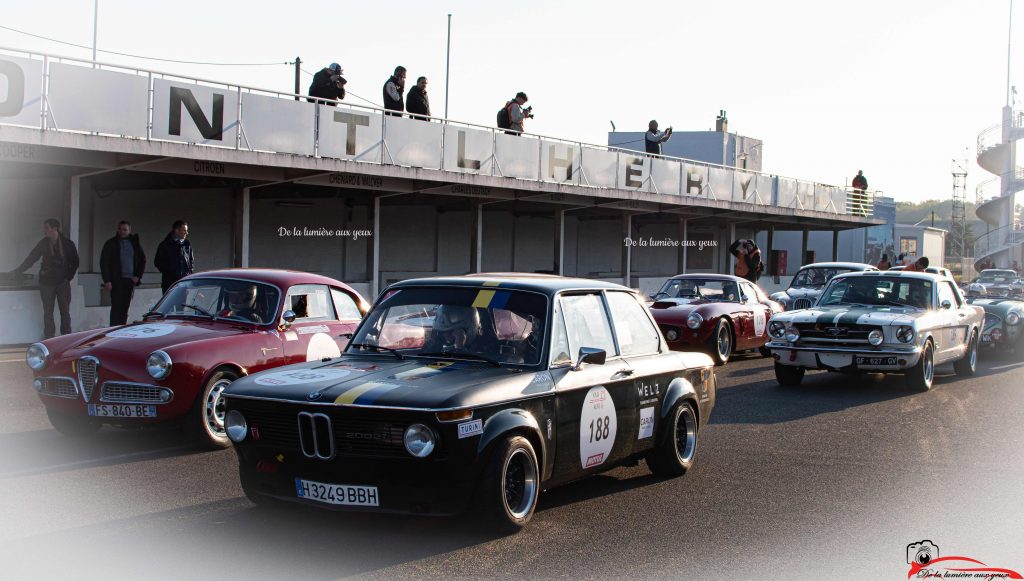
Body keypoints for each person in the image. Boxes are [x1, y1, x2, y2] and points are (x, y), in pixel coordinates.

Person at [11, 218, 80, 338]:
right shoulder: (43, 243)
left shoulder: (67, 244)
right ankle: (49, 338)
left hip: (62, 282)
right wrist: (18, 271)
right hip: (46, 282)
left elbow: (75, 262)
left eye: (46, 228)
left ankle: (67, 338)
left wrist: (68, 277)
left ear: (55, 229)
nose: (44, 231)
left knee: (65, 312)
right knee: (48, 312)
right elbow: (31, 258)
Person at [100, 221, 146, 326]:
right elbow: (104, 262)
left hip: (129, 281)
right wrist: (107, 280)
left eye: (125, 229)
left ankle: (122, 327)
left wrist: (138, 276)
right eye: (120, 229)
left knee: (125, 307)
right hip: (116, 281)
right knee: (116, 307)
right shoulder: (111, 243)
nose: (122, 232)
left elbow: (142, 260)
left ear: (129, 231)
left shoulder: (135, 244)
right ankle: (113, 328)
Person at [154, 220, 194, 294]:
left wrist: (189, 274)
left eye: (186, 230)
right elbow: (158, 262)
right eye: (184, 230)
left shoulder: (186, 244)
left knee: (181, 304)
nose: (186, 233)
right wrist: (170, 273)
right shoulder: (165, 245)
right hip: (169, 283)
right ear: (176, 230)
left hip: (183, 282)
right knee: (170, 304)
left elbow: (191, 261)